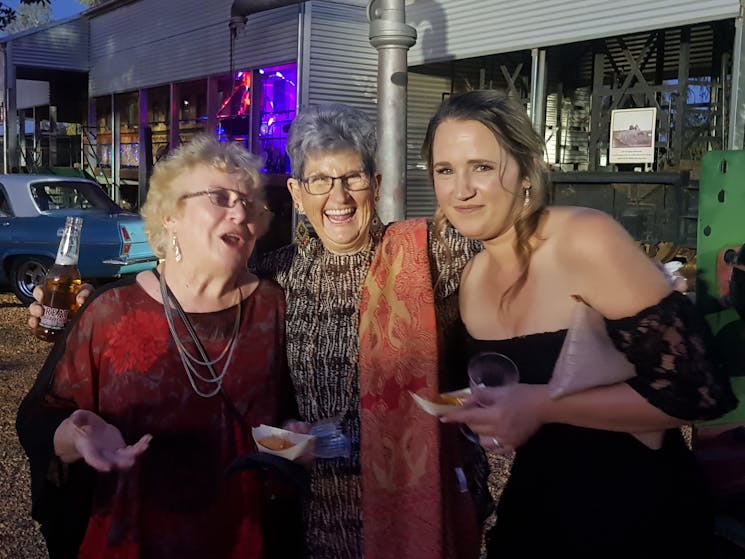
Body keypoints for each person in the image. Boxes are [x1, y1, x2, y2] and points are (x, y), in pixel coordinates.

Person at [30, 105, 492, 559]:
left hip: (405, 507)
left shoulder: (419, 254)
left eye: (353, 178)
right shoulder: (276, 276)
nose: (339, 196)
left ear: (376, 185)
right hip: (304, 520)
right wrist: (89, 309)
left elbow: (503, 241)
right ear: (296, 192)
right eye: (319, 181)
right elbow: (186, 286)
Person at [424, 90, 738, 558]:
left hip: (637, 518)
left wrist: (540, 405)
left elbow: (697, 392)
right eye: (445, 170)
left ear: (528, 168)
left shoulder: (583, 238)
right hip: (537, 515)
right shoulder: (473, 276)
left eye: (482, 167)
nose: (461, 189)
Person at [17, 136, 299, 559]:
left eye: (249, 204)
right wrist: (76, 437)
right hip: (133, 535)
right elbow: (41, 415)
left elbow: (287, 413)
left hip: (242, 537)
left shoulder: (275, 306)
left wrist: (296, 437)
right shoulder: (111, 310)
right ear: (170, 216)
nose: (240, 212)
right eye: (220, 198)